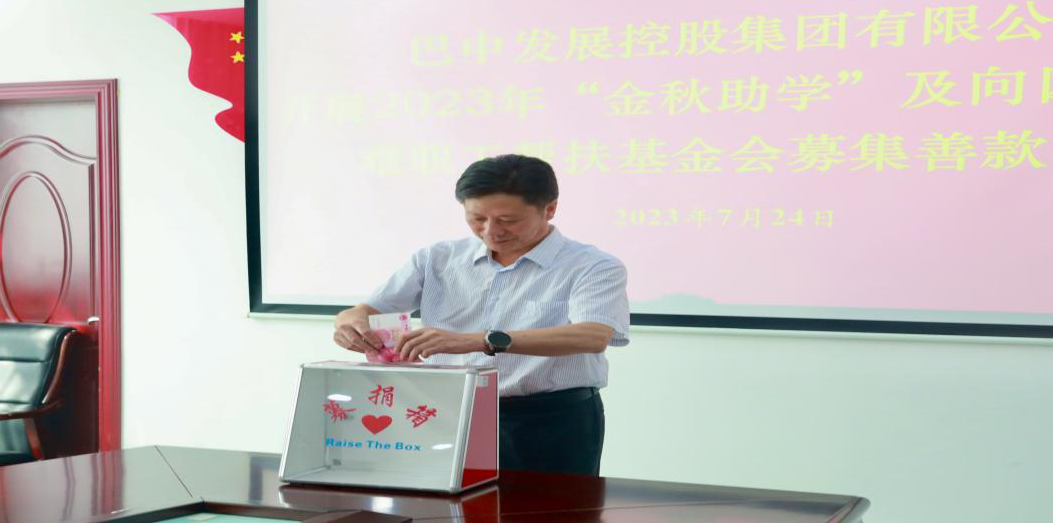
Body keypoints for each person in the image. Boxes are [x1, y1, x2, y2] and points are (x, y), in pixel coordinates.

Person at [333, 154, 629, 476]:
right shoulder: (437, 259)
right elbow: (365, 310)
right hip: (444, 409)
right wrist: (350, 322)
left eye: (508, 220)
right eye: (477, 218)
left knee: (550, 504)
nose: (491, 231)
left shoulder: (593, 266)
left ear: (550, 209)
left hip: (547, 418)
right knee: (438, 500)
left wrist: (477, 341)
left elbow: (593, 335)